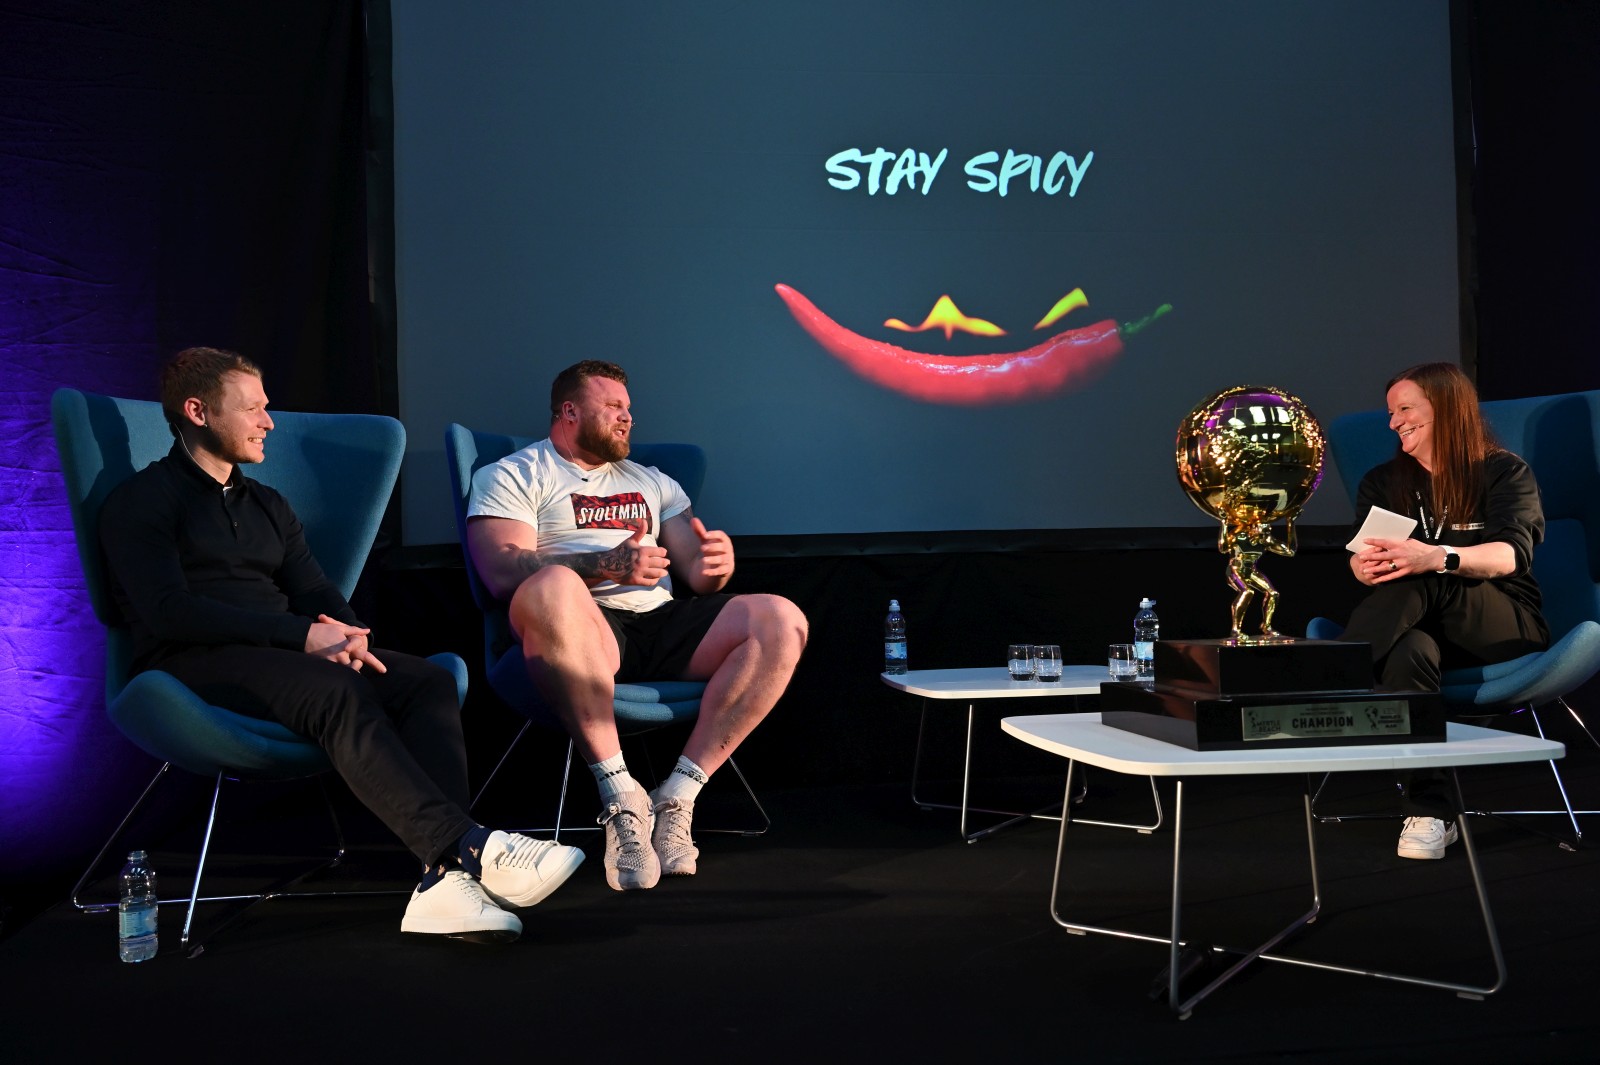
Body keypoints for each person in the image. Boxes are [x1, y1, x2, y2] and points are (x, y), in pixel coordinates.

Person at [99, 347, 583, 942]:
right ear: (198, 412)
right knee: (334, 690)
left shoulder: (267, 504)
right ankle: (470, 848)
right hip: (187, 662)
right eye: (252, 409)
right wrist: (302, 635)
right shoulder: (141, 501)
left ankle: (442, 881)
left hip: (279, 656)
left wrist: (350, 635)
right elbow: (170, 613)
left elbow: (313, 588)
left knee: (426, 681)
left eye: (267, 408)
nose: (268, 422)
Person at [466, 359, 808, 891]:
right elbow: (501, 572)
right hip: (580, 628)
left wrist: (716, 566)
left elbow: (696, 572)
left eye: (628, 408)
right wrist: (607, 565)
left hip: (659, 621)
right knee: (553, 587)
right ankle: (622, 798)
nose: (627, 418)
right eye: (612, 407)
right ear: (569, 411)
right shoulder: (515, 474)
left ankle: (678, 796)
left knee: (781, 618)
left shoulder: (652, 481)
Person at [1339, 362, 1548, 859]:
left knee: (1431, 575)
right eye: (1391, 413)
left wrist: (1440, 557)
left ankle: (1330, 680)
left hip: (1503, 623)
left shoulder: (1503, 471)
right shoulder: (1383, 481)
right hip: (1415, 628)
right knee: (1409, 650)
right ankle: (1431, 811)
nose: (1394, 422)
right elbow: (1362, 559)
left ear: (1447, 409)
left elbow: (1510, 555)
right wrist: (1362, 568)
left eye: (1405, 409)